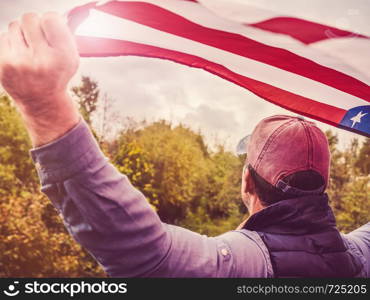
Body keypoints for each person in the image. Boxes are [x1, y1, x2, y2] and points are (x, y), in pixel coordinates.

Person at [0, 12, 369, 278]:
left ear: (247, 182)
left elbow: (142, 253)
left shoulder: (239, 265)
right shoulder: (360, 256)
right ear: (324, 186)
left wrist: (45, 104)